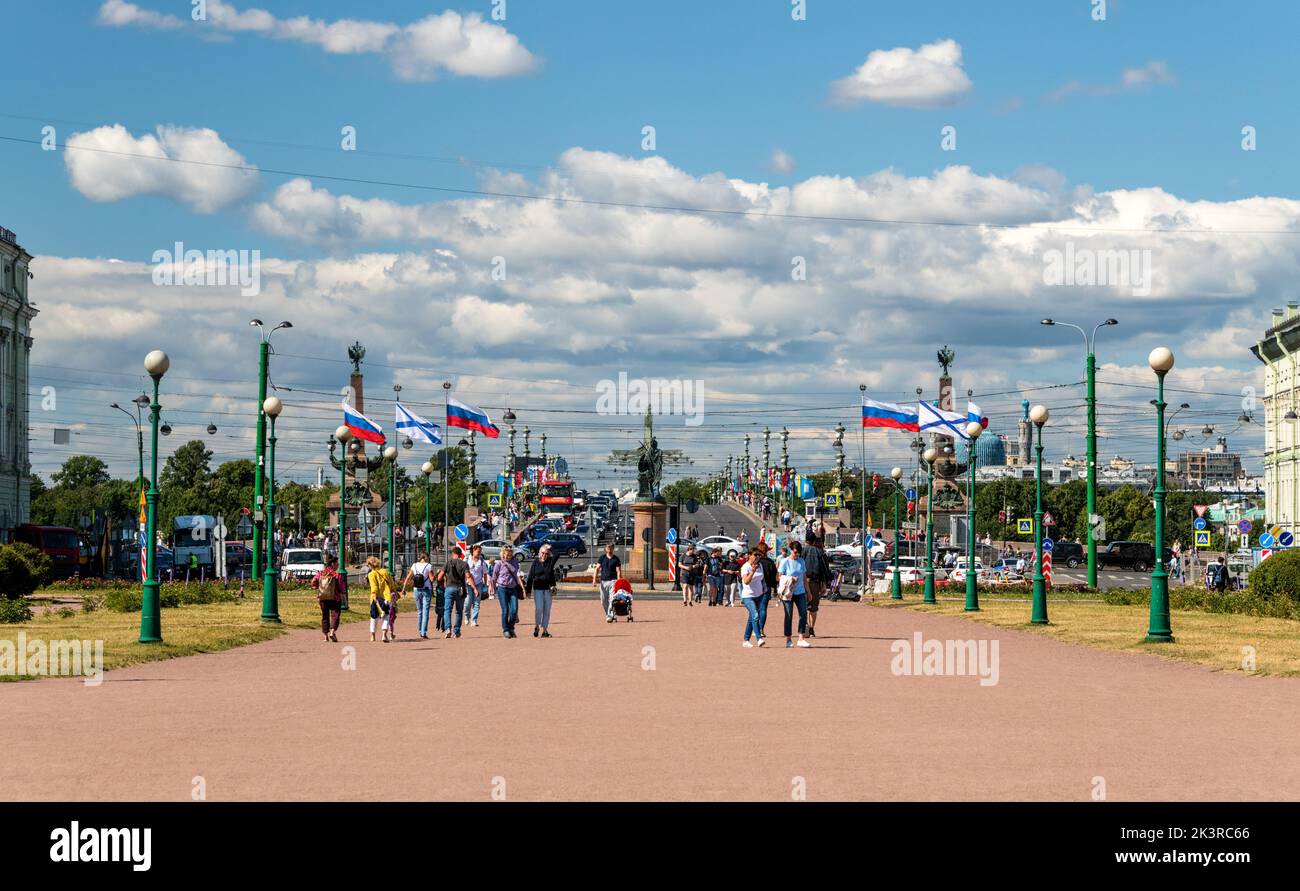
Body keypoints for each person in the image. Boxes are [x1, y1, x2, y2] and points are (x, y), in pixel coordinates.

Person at [778, 541, 811, 648]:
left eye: (799, 553)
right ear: (790, 550)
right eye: (795, 552)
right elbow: (778, 577)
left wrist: (808, 592)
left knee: (803, 613)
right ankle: (788, 639)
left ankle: (801, 637)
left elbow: (804, 578)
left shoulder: (801, 561)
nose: (797, 554)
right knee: (788, 615)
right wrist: (790, 579)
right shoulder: (785, 561)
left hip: (800, 592)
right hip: (788, 593)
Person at [437, 546, 475, 639]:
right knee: (458, 611)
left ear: (453, 554)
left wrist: (441, 580)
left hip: (449, 588)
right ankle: (456, 632)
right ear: (460, 554)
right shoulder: (464, 564)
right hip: (460, 589)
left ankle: (447, 629)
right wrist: (474, 588)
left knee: (447, 610)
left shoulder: (448, 563)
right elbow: (468, 576)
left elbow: (440, 576)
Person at [526, 543, 560, 637]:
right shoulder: (535, 562)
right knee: (539, 608)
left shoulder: (550, 561)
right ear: (539, 553)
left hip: (548, 589)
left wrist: (550, 547)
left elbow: (557, 554)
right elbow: (530, 577)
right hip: (538, 588)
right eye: (543, 553)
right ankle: (537, 626)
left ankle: (545, 630)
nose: (544, 555)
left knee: (547, 610)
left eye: (546, 553)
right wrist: (528, 591)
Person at [802, 531, 832, 638]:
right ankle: (811, 628)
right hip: (816, 582)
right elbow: (824, 569)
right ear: (814, 541)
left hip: (803, 581)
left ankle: (804, 627)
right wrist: (824, 584)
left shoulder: (802, 551)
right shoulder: (820, 552)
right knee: (813, 608)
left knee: (803, 606)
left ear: (806, 540)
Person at [492, 546, 526, 638]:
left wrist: (522, 588)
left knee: (514, 610)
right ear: (503, 554)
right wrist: (492, 588)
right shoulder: (499, 564)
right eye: (506, 555)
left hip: (513, 588)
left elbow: (518, 575)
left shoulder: (515, 562)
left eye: (510, 555)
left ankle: (511, 628)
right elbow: (494, 576)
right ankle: (506, 629)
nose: (508, 557)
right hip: (502, 588)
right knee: (505, 610)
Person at [310, 555, 345, 642]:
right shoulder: (337, 575)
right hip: (335, 598)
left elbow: (313, 581)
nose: (338, 565)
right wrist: (344, 598)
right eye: (337, 564)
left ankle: (325, 636)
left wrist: (317, 587)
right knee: (335, 615)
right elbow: (342, 588)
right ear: (332, 564)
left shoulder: (321, 573)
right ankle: (332, 632)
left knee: (325, 616)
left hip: (323, 598)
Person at [402, 551, 436, 640]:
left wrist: (403, 589)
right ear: (425, 557)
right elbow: (432, 579)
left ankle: (419, 630)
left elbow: (408, 577)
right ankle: (423, 632)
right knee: (425, 612)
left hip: (416, 590)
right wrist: (436, 574)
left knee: (419, 611)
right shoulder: (428, 566)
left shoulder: (414, 565)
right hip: (426, 590)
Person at [366, 555, 399, 643]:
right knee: (386, 616)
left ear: (370, 564)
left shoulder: (371, 574)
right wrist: (395, 593)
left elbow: (374, 587)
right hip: (386, 598)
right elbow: (392, 585)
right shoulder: (385, 572)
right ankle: (384, 634)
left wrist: (374, 595)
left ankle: (373, 636)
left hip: (375, 598)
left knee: (374, 617)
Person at [739, 549, 767, 647]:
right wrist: (753, 571)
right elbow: (746, 581)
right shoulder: (745, 567)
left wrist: (764, 587)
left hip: (759, 595)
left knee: (752, 618)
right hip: (748, 596)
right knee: (755, 615)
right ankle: (759, 638)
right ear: (749, 555)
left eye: (759, 555)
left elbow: (762, 578)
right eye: (755, 555)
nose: (757, 557)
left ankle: (746, 640)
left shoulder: (760, 566)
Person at [595, 543, 622, 622]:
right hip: (603, 582)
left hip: (613, 581)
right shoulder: (602, 558)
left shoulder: (616, 559)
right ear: (606, 549)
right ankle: (608, 614)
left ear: (613, 549)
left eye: (611, 548)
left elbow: (618, 571)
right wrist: (594, 579)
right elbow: (597, 569)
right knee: (603, 600)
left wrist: (619, 581)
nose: (609, 550)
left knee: (611, 599)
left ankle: (610, 615)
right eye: (608, 548)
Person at [466, 544, 489, 627]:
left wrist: (485, 585)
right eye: (477, 551)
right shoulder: (467, 560)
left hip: (478, 583)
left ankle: (474, 620)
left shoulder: (481, 561)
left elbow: (485, 574)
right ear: (473, 551)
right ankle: (467, 615)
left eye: (480, 551)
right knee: (468, 602)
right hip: (468, 584)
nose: (479, 553)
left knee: (477, 603)